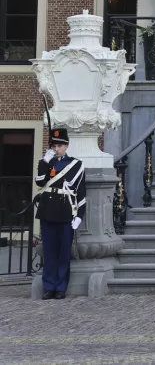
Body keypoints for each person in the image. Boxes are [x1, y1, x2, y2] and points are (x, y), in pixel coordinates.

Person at [35, 128, 85, 300]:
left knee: (63, 252)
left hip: (65, 211)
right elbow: (40, 182)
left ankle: (61, 287)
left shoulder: (76, 164)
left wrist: (79, 216)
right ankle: (49, 286)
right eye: (54, 146)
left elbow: (81, 192)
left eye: (60, 146)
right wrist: (45, 162)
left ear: (66, 146)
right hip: (47, 210)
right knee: (49, 252)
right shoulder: (45, 162)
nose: (56, 149)